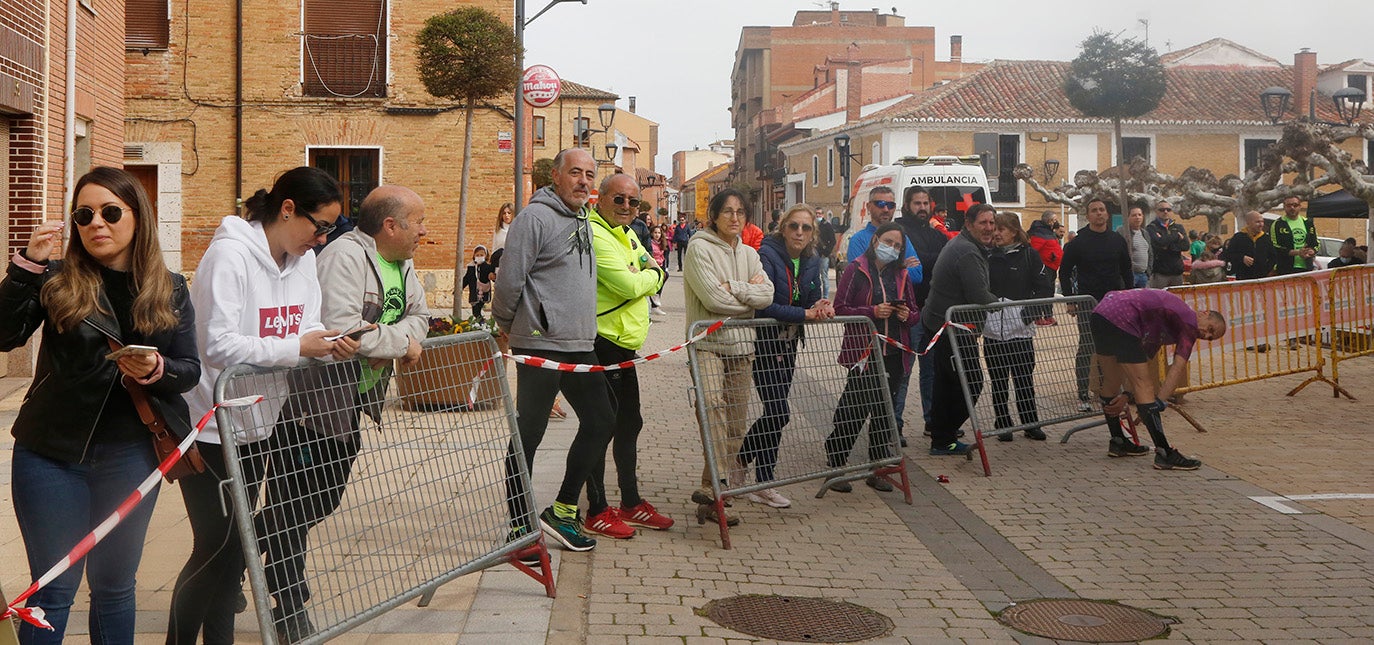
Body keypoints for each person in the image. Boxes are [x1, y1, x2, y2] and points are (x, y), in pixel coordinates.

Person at [0, 168, 199, 644]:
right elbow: (5, 334)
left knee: (114, 588)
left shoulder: (168, 287)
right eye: (84, 215)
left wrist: (156, 371)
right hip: (51, 455)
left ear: (138, 218)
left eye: (111, 212)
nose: (97, 224)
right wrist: (25, 266)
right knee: (53, 589)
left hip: (129, 455)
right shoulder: (56, 279)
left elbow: (189, 368)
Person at [170, 166, 358, 644]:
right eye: (320, 226)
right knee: (216, 546)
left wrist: (330, 343)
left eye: (332, 230)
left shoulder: (305, 262)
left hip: (260, 423)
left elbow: (305, 328)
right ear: (287, 208)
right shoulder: (229, 255)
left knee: (236, 549)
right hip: (211, 426)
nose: (322, 239)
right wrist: (297, 349)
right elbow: (216, 345)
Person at [258, 185, 430, 640]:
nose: (425, 231)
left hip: (351, 401)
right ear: (391, 226)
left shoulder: (403, 263)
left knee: (322, 499)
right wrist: (399, 344)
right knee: (292, 504)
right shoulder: (345, 258)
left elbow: (421, 319)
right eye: (419, 222)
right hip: (311, 402)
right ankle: (289, 606)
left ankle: (238, 547)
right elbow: (341, 329)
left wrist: (393, 341)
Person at [492, 148, 617, 554]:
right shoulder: (534, 217)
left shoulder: (583, 217)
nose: (584, 181)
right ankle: (519, 529)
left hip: (580, 343)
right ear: (556, 176)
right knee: (529, 433)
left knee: (601, 420)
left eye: (590, 174)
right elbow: (510, 280)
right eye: (575, 173)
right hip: (540, 342)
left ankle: (562, 511)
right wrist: (510, 326)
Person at [584, 173, 672, 539]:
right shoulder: (596, 233)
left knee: (630, 423)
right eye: (618, 199)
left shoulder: (628, 232)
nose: (625, 207)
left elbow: (651, 268)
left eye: (632, 202)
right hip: (601, 342)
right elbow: (631, 283)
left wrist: (650, 273)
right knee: (600, 427)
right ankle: (597, 509)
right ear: (600, 198)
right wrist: (653, 276)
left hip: (624, 345)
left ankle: (631, 502)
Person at [683, 188, 773, 526]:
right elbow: (712, 300)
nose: (734, 218)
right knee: (711, 410)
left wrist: (734, 288)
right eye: (728, 211)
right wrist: (746, 299)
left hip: (741, 347)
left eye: (740, 212)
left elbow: (767, 294)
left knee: (734, 424)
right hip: (707, 343)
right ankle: (718, 487)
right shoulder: (698, 248)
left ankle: (711, 490)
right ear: (715, 216)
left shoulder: (750, 253)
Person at [740, 204, 833, 507]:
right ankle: (743, 465)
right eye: (794, 226)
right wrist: (805, 313)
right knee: (779, 412)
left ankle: (762, 481)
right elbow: (765, 305)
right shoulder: (766, 256)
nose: (799, 233)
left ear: (812, 233)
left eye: (806, 228)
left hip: (789, 344)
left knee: (775, 415)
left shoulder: (811, 260)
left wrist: (819, 303)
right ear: (783, 227)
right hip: (764, 344)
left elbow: (809, 297)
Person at [1090, 289, 1226, 469]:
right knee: (1145, 386)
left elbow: (1143, 357)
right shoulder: (1189, 323)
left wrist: (1128, 395)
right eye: (1210, 329)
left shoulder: (1167, 320)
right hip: (1123, 317)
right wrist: (1158, 403)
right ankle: (1164, 453)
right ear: (1204, 313)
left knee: (1111, 381)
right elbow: (1177, 368)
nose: (1206, 335)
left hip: (1102, 313)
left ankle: (1117, 441)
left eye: (1210, 338)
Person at [827, 222, 915, 488]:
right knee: (854, 407)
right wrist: (872, 312)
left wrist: (906, 315)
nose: (892, 248)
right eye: (888, 242)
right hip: (864, 351)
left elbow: (915, 311)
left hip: (894, 350)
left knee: (884, 409)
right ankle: (836, 462)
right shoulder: (856, 268)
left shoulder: (902, 275)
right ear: (876, 240)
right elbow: (840, 308)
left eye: (897, 246)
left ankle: (876, 468)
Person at [921, 204, 1001, 455]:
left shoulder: (966, 245)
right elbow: (978, 294)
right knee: (970, 382)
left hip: (945, 324)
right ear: (969, 224)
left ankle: (941, 437)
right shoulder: (967, 251)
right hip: (951, 328)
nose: (988, 228)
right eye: (983, 223)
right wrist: (1002, 304)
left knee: (947, 383)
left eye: (991, 223)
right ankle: (944, 436)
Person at [985, 213, 1054, 441]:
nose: (996, 233)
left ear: (1013, 231)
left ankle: (1030, 423)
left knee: (1024, 378)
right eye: (994, 228)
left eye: (1001, 229)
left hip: (1021, 331)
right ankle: (1003, 423)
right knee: (998, 380)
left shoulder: (1029, 255)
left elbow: (1044, 286)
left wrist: (1030, 313)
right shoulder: (987, 256)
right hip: (994, 331)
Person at [1060, 198, 1133, 410]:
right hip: (1087, 302)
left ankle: (1108, 390)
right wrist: (1070, 299)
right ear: (1088, 215)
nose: (1099, 213)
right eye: (1094, 210)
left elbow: (1126, 270)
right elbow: (1064, 272)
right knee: (1087, 346)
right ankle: (1082, 393)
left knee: (1112, 347)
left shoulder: (1117, 241)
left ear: (1107, 214)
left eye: (1102, 210)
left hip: (1114, 303)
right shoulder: (1078, 243)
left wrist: (1128, 296)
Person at [894, 185, 943, 442]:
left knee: (932, 370)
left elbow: (942, 258)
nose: (922, 208)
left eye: (925, 203)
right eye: (917, 203)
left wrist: (924, 259)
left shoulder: (936, 234)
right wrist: (929, 259)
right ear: (907, 205)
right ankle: (896, 425)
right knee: (903, 372)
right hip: (908, 313)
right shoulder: (900, 230)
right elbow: (911, 263)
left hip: (933, 311)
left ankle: (932, 421)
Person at [1222, 211, 1277, 280]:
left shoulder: (1266, 238)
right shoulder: (1238, 237)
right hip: (1243, 278)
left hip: (1262, 278)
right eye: (1257, 222)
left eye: (1262, 222)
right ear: (1248, 223)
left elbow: (1273, 257)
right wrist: (1242, 258)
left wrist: (1266, 271)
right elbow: (1228, 255)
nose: (1261, 224)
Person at [1145, 201, 1189, 288]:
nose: (1165, 212)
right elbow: (1158, 243)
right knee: (1159, 300)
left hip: (1177, 272)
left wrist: (1167, 245)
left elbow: (1186, 246)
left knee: (1177, 300)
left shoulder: (1179, 227)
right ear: (1156, 212)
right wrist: (1176, 236)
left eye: (1168, 209)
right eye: (1162, 209)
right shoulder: (1151, 227)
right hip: (1160, 273)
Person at [1271, 196, 1318, 274]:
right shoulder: (1278, 224)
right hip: (1285, 269)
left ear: (1300, 206)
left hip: (1306, 268)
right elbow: (1274, 247)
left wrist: (1311, 251)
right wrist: (1297, 252)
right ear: (1284, 207)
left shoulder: (1308, 223)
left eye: (1295, 205)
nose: (1292, 208)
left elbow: (1316, 243)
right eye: (1289, 205)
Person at [1117, 205, 1153, 288]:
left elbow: (1150, 253)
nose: (1137, 217)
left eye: (1139, 215)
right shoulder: (1122, 232)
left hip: (1143, 275)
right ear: (1128, 217)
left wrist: (1148, 272)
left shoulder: (1145, 233)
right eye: (1134, 215)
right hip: (1130, 275)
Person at [1027, 210, 1063, 283]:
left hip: (1051, 268)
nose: (1057, 222)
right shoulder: (1039, 233)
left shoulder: (1048, 232)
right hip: (1045, 268)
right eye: (1055, 220)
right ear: (1050, 221)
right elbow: (1033, 250)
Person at [461, 244, 494, 322]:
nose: (479, 256)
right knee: (475, 310)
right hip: (474, 292)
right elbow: (466, 278)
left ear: (485, 256)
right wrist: (460, 287)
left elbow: (492, 276)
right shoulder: (471, 267)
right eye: (477, 255)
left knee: (477, 310)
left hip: (484, 292)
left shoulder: (488, 267)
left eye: (481, 255)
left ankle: (481, 323)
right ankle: (482, 323)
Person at [648, 224, 670, 315]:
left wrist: (665, 268)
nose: (657, 235)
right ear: (652, 233)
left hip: (661, 266)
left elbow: (664, 257)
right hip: (653, 266)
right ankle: (654, 303)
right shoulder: (649, 243)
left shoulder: (662, 243)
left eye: (659, 233)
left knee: (665, 276)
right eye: (655, 233)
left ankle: (655, 299)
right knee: (655, 283)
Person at [815, 212, 837, 297]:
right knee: (814, 278)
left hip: (823, 255)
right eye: (816, 214)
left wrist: (827, 252)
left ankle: (825, 297)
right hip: (813, 255)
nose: (818, 215)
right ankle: (816, 297)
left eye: (820, 214)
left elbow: (833, 241)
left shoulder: (827, 225)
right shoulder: (813, 225)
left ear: (823, 215)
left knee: (824, 277)